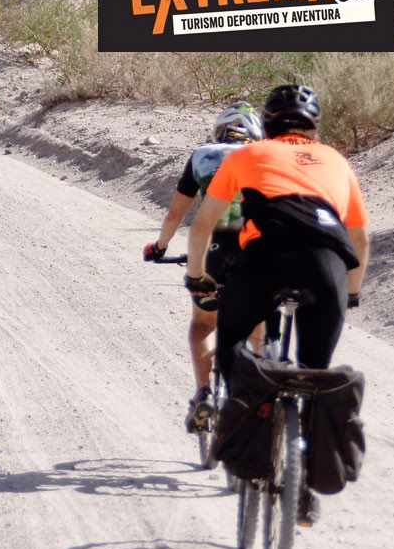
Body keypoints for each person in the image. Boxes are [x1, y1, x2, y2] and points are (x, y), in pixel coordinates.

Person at [185, 85, 370, 523]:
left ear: (266, 125)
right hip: (327, 267)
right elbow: (360, 239)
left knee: (232, 348)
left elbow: (203, 226)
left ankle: (250, 438)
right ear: (313, 128)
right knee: (314, 374)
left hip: (264, 261)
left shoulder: (247, 155)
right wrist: (351, 293)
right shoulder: (337, 161)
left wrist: (197, 276)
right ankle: (302, 489)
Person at [144, 103, 264, 431]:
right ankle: (261, 399)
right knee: (259, 325)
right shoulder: (267, 156)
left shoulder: (203, 156)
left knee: (203, 323)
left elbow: (176, 214)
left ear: (221, 131)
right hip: (258, 249)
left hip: (215, 248)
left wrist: (159, 247)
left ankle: (204, 394)